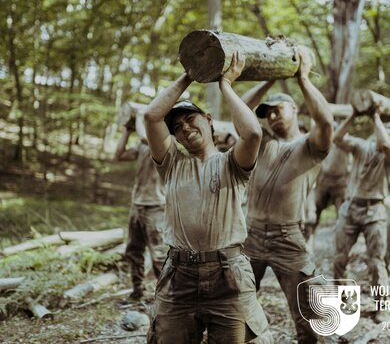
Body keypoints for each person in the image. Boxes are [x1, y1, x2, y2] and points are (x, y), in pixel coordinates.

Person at [144, 51, 272, 344]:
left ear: (208, 119)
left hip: (228, 276)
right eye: (177, 128)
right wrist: (191, 73)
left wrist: (225, 84)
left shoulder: (232, 163)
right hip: (179, 276)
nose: (185, 128)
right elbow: (152, 116)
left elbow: (252, 132)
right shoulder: (172, 164)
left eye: (190, 119)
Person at [242, 48, 334, 343]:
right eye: (267, 112)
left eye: (277, 109)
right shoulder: (260, 142)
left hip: (287, 238)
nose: (271, 115)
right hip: (251, 234)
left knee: (307, 310)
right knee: (235, 304)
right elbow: (240, 109)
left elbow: (326, 122)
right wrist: (268, 78)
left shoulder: (310, 145)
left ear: (295, 110)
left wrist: (303, 79)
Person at [332, 107, 389, 323]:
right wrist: (354, 114)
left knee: (376, 261)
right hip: (351, 207)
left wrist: (375, 115)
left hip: (375, 210)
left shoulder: (387, 151)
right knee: (339, 258)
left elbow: (385, 145)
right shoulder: (361, 146)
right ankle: (346, 304)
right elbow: (337, 138)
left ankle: (381, 305)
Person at [115, 113, 166, 300]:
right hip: (137, 205)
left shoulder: (163, 142)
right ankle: (137, 290)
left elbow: (146, 136)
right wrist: (126, 131)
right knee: (133, 250)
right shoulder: (142, 146)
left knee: (159, 255)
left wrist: (138, 114)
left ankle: (167, 297)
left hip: (156, 206)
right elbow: (119, 155)